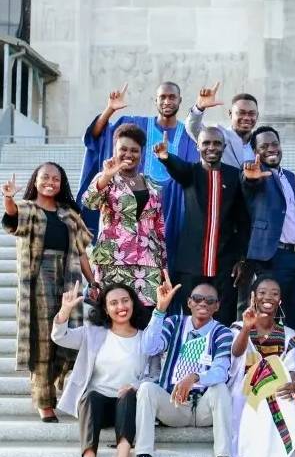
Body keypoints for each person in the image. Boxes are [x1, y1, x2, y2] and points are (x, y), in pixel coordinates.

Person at [2, 163, 94, 422]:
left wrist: (94, 283)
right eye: (45, 177)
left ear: (61, 183)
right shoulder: (28, 208)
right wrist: (9, 198)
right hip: (38, 281)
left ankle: (65, 390)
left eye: (55, 178)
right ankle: (44, 401)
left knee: (68, 338)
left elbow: (83, 252)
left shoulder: (70, 214)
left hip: (68, 279)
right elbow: (13, 218)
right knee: (42, 341)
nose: (50, 182)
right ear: (36, 180)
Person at [77, 82, 199, 271]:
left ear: (180, 100)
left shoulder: (188, 135)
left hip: (174, 208)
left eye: (172, 97)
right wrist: (109, 109)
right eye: (162, 97)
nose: (167, 101)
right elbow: (98, 135)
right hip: (123, 214)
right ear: (155, 100)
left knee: (166, 265)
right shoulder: (136, 124)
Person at [133, 275, 235, 457]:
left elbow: (221, 370)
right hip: (175, 405)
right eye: (197, 298)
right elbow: (149, 347)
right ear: (189, 302)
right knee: (146, 389)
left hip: (205, 407)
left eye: (210, 300)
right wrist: (160, 310)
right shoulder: (175, 323)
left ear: (217, 306)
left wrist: (195, 377)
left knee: (221, 388)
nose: (203, 303)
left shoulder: (223, 332)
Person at [239, 125, 295, 379]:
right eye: (264, 146)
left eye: (274, 144)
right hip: (274, 258)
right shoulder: (255, 175)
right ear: (255, 152)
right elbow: (248, 188)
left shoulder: (290, 177)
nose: (271, 149)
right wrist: (250, 179)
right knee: (274, 316)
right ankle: (271, 372)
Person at [52, 283, 154, 457]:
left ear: (133, 303)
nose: (121, 307)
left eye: (125, 301)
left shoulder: (145, 338)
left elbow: (155, 375)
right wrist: (65, 311)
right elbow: (60, 337)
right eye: (113, 303)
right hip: (98, 407)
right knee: (90, 396)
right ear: (106, 310)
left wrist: (135, 386)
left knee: (128, 395)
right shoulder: (93, 333)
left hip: (130, 407)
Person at [152, 126, 249, 326]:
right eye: (206, 143)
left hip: (225, 265)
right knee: (189, 321)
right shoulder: (190, 173)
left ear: (224, 146)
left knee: (223, 320)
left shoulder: (235, 177)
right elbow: (177, 167)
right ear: (198, 146)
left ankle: (219, 355)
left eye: (216, 143)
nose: (211, 147)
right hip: (191, 265)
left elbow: (243, 222)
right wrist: (165, 156)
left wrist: (242, 259)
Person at [228, 278, 295, 457]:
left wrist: (294, 383)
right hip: (244, 391)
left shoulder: (288, 334)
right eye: (262, 292)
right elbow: (235, 353)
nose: (268, 297)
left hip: (274, 394)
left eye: (274, 293)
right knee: (270, 365)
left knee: (275, 386)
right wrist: (246, 327)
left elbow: (294, 368)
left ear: (280, 300)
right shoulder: (237, 327)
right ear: (253, 297)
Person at [82, 123, 167, 321]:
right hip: (114, 262)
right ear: (115, 151)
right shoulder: (106, 179)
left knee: (145, 319)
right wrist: (106, 176)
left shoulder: (151, 184)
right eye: (124, 149)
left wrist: (163, 267)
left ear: (141, 153)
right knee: (113, 320)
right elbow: (89, 202)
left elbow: (159, 228)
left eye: (134, 150)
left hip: (148, 265)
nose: (129, 154)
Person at [185, 82, 260, 169]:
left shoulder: (261, 142)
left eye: (251, 113)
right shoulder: (218, 136)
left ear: (257, 116)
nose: (246, 117)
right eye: (241, 113)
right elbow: (193, 128)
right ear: (230, 113)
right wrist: (199, 107)